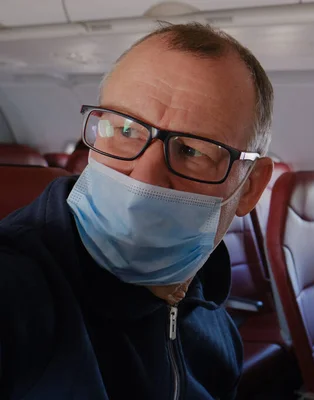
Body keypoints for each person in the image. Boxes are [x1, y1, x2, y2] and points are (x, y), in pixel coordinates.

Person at [0, 22, 274, 400]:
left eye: (193, 151)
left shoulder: (217, 326)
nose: (144, 178)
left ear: (251, 187)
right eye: (126, 131)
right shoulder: (19, 287)